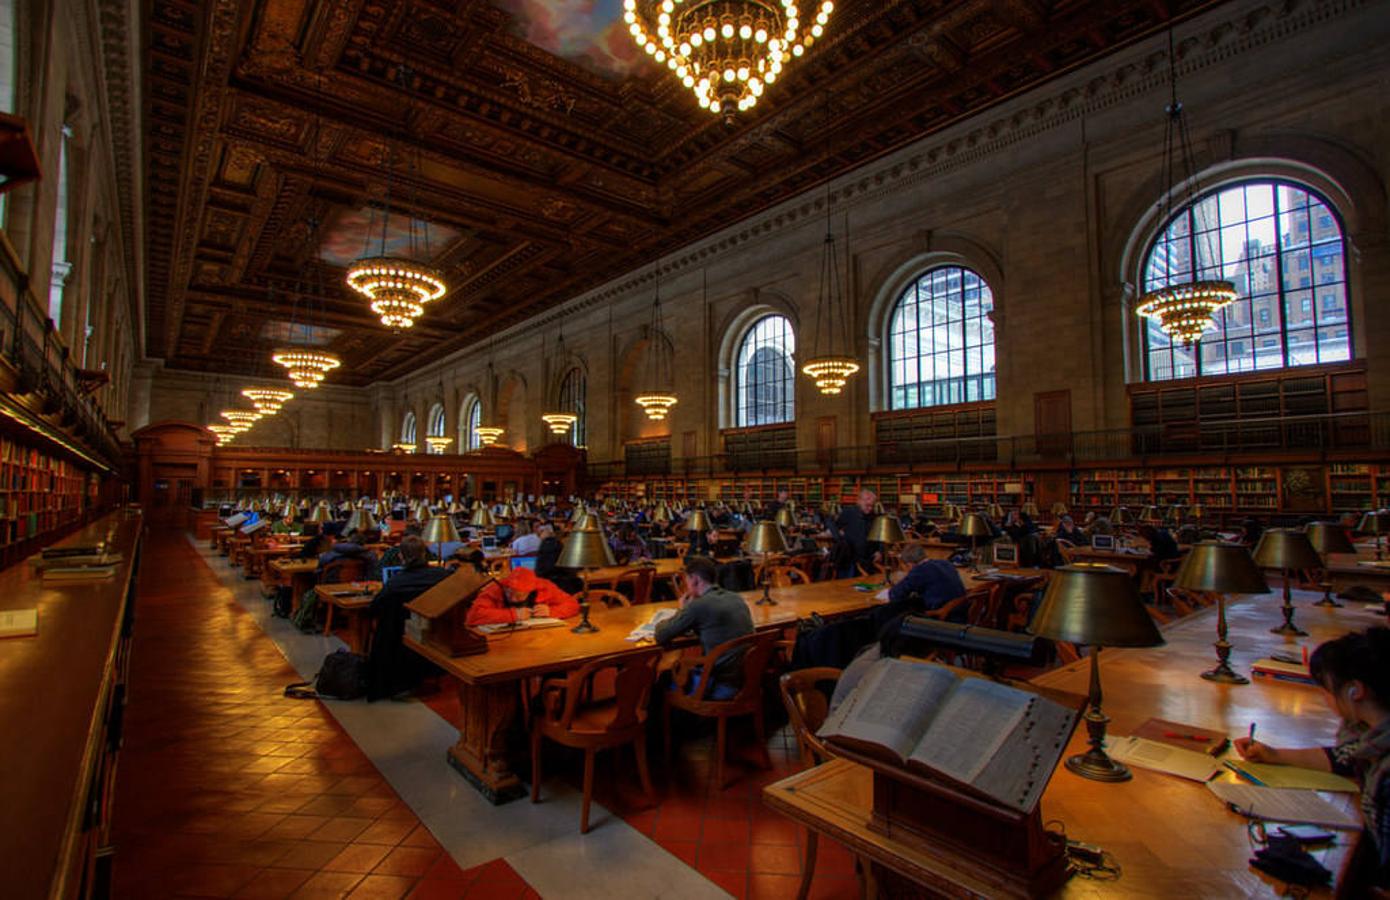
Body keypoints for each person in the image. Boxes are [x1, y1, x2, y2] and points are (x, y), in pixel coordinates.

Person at [1235, 628, 1390, 891]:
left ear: (1355, 691)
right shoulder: (1372, 738)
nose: (1325, 698)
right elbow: (1342, 759)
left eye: (1328, 689)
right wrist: (1274, 755)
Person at [654, 556, 755, 700]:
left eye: (687, 581)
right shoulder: (736, 598)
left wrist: (681, 611)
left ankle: (675, 721)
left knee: (663, 679)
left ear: (695, 579)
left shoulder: (698, 606)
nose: (686, 586)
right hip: (745, 679)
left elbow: (661, 635)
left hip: (718, 684)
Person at [366, 536, 452, 700]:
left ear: (401, 557)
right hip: (436, 633)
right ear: (425, 555)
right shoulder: (442, 576)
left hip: (399, 638)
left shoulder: (395, 582)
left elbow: (374, 608)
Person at [464, 567, 579, 627]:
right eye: (509, 593)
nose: (513, 599)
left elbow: (572, 604)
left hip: (540, 638)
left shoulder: (544, 587)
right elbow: (473, 616)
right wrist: (514, 615)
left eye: (519, 596)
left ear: (530, 590)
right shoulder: (495, 588)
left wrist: (551, 611)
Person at [887, 543, 968, 621]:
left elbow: (895, 595)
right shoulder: (945, 563)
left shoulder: (920, 571)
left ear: (910, 565)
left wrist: (902, 581)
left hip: (943, 618)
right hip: (962, 614)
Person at [833, 489, 880, 578]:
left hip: (868, 556)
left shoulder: (874, 517)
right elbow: (837, 526)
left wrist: (879, 551)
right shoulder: (848, 512)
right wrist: (841, 536)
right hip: (849, 556)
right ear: (859, 501)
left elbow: (879, 535)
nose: (870, 509)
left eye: (872, 506)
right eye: (867, 505)